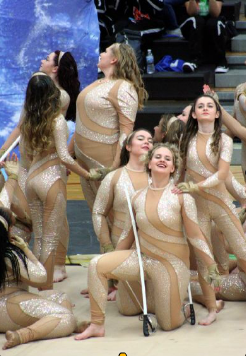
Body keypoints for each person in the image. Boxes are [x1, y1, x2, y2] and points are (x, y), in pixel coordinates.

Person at [75, 143, 220, 341]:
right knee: (97, 266)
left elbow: (195, 236)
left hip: (171, 264)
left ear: (172, 168)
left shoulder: (182, 198)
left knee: (168, 325)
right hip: (142, 258)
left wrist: (211, 265)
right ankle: (97, 325)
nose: (162, 160)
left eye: (167, 159)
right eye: (157, 157)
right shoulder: (136, 197)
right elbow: (127, 236)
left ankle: (183, 308)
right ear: (149, 164)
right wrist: (112, 269)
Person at [1, 50, 80, 283]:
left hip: (47, 164)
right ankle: (34, 261)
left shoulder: (60, 97)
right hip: (27, 161)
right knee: (33, 214)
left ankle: (57, 264)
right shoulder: (36, 87)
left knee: (56, 218)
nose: (42, 60)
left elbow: (53, 130)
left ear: (55, 68)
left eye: (47, 59)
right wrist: (4, 150)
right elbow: (20, 125)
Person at [174, 94, 246, 326]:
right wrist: (172, 189)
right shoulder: (187, 139)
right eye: (200, 106)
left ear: (217, 114)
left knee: (243, 252)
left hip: (222, 205)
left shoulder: (223, 140)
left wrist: (197, 185)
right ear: (194, 114)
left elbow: (223, 174)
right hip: (197, 209)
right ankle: (212, 307)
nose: (205, 108)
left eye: (210, 106)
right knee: (203, 259)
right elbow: (180, 171)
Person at [21, 74, 90, 291]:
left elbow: (27, 155)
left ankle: (38, 283)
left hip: (31, 179)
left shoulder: (28, 120)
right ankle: (46, 289)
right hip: (50, 179)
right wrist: (87, 175)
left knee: (39, 237)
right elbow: (64, 156)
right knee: (51, 238)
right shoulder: (57, 120)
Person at [0, 159, 76, 350]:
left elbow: (6, 205)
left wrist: (13, 178)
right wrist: (26, 249)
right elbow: (41, 278)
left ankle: (51, 325)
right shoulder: (9, 253)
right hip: (6, 305)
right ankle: (22, 335)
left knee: (60, 298)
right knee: (65, 317)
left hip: (13, 300)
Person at [72, 43, 147, 210]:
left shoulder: (124, 88)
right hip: (84, 162)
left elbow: (126, 133)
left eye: (105, 51)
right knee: (97, 214)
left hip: (105, 161)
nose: (101, 53)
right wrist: (70, 155)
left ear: (114, 59)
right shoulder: (98, 83)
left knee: (112, 215)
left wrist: (113, 167)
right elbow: (80, 122)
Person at [91, 129, 153, 304]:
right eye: (140, 138)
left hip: (153, 248)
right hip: (123, 248)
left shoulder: (158, 176)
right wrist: (108, 246)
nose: (147, 141)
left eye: (150, 140)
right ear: (128, 146)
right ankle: (114, 283)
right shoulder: (114, 177)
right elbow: (98, 213)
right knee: (131, 307)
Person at [180, 0, 228, 73]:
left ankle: (221, 61)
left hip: (210, 23)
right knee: (197, 21)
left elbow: (215, 13)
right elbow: (192, 12)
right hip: (193, 24)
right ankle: (193, 60)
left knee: (215, 22)